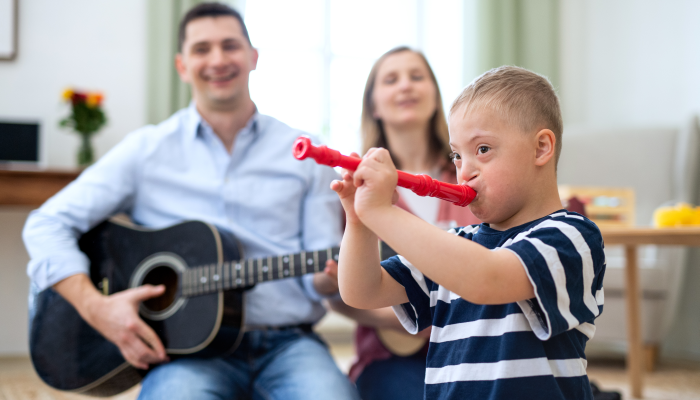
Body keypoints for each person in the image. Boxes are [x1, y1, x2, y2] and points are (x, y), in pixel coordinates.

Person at [23, 3, 358, 400]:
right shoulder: (146, 150)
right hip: (185, 354)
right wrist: (95, 306)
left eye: (230, 46)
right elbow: (45, 224)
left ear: (253, 57)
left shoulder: (307, 154)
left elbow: (317, 280)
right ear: (182, 66)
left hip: (288, 344)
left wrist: (334, 277)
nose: (217, 59)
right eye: (202, 49)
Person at [331, 66, 606, 399]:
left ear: (541, 148)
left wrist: (381, 212)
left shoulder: (571, 236)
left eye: (483, 150)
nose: (465, 171)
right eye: (457, 155)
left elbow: (484, 279)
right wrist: (360, 220)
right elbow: (362, 292)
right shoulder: (458, 243)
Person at [324, 46, 479, 400]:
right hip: (391, 358)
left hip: (476, 350)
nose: (405, 86)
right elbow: (346, 295)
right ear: (374, 105)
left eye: (417, 76)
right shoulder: (355, 188)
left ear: (436, 97)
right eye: (391, 79)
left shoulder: (471, 176)